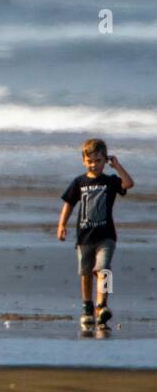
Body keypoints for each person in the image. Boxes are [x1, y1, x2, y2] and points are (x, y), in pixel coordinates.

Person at [57, 138, 134, 327]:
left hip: (106, 236)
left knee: (103, 269)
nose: (94, 164)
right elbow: (68, 204)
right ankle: (87, 307)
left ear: (104, 160)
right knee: (85, 273)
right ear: (84, 160)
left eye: (98, 161)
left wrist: (117, 166)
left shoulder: (110, 181)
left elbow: (129, 184)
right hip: (84, 237)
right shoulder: (79, 182)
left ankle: (103, 305)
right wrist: (61, 225)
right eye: (90, 161)